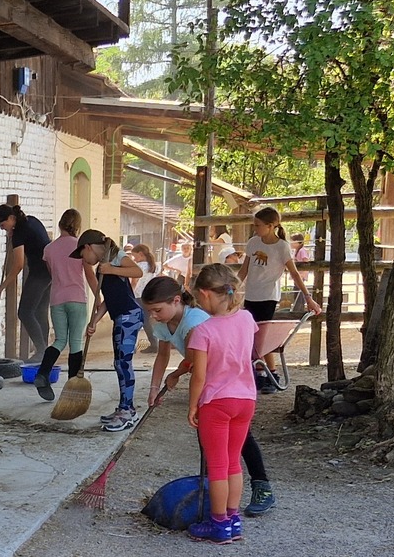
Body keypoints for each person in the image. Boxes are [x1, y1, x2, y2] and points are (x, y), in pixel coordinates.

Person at [140, 275, 282, 517]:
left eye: (157, 310)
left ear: (176, 301)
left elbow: (196, 362)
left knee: (232, 448)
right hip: (225, 388)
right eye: (150, 311)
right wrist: (155, 388)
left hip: (220, 386)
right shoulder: (164, 323)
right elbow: (163, 355)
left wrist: (181, 380)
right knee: (220, 452)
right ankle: (218, 501)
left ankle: (259, 487)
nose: (153, 316)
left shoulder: (197, 322)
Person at [181, 264, 257, 543]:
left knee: (217, 466)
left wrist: (193, 405)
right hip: (246, 398)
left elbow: (199, 376)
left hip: (217, 402)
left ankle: (218, 524)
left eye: (199, 299)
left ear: (205, 293)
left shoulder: (203, 331)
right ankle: (233, 520)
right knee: (233, 462)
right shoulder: (247, 319)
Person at [34, 208, 101, 402]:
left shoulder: (49, 249)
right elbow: (89, 275)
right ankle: (72, 388)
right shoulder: (80, 247)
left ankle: (43, 373)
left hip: (57, 299)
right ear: (77, 226)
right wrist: (98, 299)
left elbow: (52, 274)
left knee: (59, 340)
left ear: (60, 224)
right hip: (77, 298)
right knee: (76, 343)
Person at [80, 231, 143, 431]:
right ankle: (125, 407)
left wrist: (112, 269)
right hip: (120, 317)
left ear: (89, 247)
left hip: (129, 316)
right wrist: (94, 321)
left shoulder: (116, 257)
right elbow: (109, 299)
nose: (84, 260)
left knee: (123, 363)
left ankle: (128, 411)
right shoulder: (102, 267)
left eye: (83, 254)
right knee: (119, 363)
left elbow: (137, 272)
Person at [240, 205, 324, 324]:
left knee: (261, 329)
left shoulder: (282, 247)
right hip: (250, 294)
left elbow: (294, 273)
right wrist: (232, 288)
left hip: (268, 297)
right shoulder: (253, 242)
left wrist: (308, 297)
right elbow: (244, 270)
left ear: (270, 226)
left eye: (258, 225)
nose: (255, 228)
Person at [0, 197, 52, 362]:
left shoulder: (19, 233)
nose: (2, 229)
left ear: (11, 218)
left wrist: (3, 285)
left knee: (25, 312)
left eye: (3, 225)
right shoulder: (31, 220)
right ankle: (45, 352)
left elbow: (18, 264)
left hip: (39, 273)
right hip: (50, 271)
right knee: (40, 311)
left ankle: (41, 351)